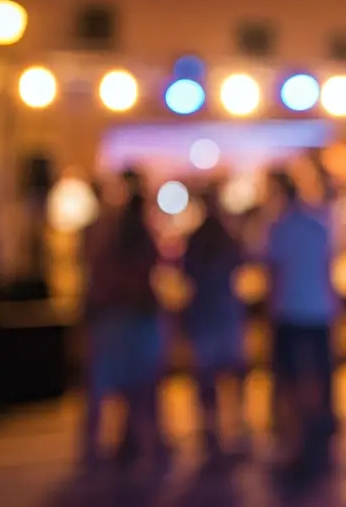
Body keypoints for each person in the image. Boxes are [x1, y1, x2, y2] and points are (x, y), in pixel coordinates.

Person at [81, 171, 168, 471]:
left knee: (105, 387)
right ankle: (140, 447)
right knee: (140, 386)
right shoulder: (131, 235)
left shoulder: (100, 231)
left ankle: (100, 451)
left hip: (112, 317)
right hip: (129, 316)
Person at [265, 170, 338, 478]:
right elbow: (328, 265)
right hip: (319, 310)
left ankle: (297, 443)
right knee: (318, 376)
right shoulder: (318, 225)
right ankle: (317, 435)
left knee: (292, 381)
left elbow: (272, 270)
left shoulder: (279, 229)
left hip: (290, 312)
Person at [180, 184, 251, 466]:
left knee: (207, 378)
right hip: (224, 312)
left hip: (206, 312)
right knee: (233, 374)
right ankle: (237, 429)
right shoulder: (226, 237)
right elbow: (242, 262)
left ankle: (212, 434)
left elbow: (187, 273)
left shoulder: (197, 238)